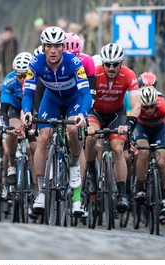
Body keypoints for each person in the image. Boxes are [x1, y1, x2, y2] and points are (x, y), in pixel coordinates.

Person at [21, 26, 91, 215]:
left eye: (57, 46)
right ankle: (42, 192)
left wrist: (83, 114)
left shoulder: (74, 62)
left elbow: (85, 93)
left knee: (73, 130)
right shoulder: (35, 62)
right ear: (43, 47)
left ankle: (75, 164)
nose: (53, 50)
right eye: (48, 46)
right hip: (51, 100)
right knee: (43, 137)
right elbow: (28, 93)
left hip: (73, 100)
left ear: (63, 47)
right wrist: (26, 111)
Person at [85, 43, 141, 213]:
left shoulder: (129, 75)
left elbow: (136, 104)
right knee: (91, 137)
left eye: (115, 64)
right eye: (107, 64)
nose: (111, 68)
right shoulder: (95, 72)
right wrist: (86, 123)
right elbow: (86, 98)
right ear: (102, 63)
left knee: (118, 149)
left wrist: (129, 123)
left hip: (117, 114)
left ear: (120, 63)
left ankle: (122, 195)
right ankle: (92, 174)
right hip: (95, 112)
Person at [133, 86, 165, 218]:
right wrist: (129, 141)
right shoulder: (137, 104)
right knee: (143, 152)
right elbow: (129, 124)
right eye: (146, 107)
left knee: (161, 163)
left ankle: (164, 199)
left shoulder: (162, 103)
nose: (149, 110)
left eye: (152, 106)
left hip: (159, 129)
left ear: (156, 102)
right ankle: (140, 188)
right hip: (141, 127)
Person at [64, 32, 96, 215]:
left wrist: (87, 117)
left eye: (74, 56)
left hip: (78, 102)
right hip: (59, 99)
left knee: (76, 135)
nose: (71, 60)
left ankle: (78, 194)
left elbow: (91, 95)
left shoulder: (87, 62)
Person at [0, 52, 34, 186]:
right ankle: (12, 165)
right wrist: (6, 126)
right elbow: (3, 109)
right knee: (12, 130)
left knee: (35, 146)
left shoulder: (37, 79)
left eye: (25, 75)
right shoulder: (9, 81)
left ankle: (37, 186)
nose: (23, 78)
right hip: (14, 107)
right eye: (19, 75)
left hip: (32, 109)